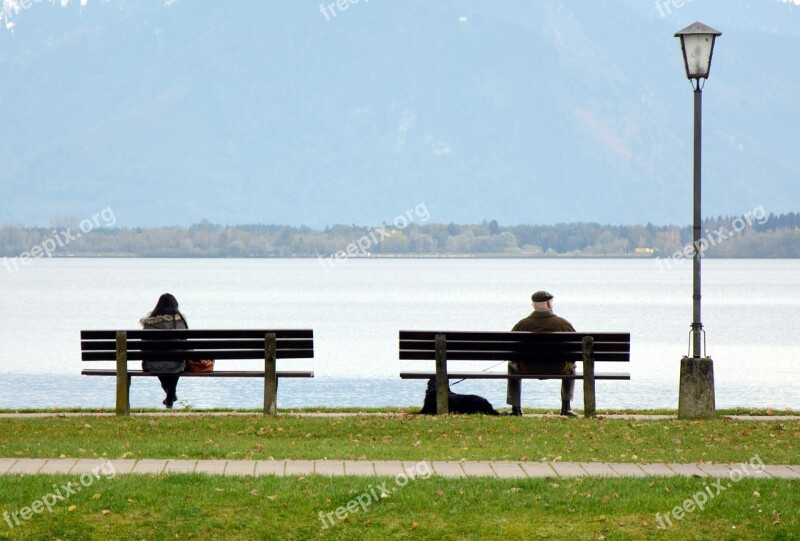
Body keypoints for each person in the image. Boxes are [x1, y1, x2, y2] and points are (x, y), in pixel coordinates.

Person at [507, 290, 578, 417]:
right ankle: (566, 407)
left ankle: (515, 408)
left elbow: (511, 349)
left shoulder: (522, 325)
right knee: (571, 366)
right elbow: (575, 350)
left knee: (512, 365)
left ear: (533, 305)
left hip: (527, 368)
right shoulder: (563, 324)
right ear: (550, 304)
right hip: (558, 368)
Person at [140, 293, 188, 409]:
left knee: (159, 364)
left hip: (153, 364)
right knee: (176, 363)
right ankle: (170, 397)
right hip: (176, 363)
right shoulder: (180, 322)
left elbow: (143, 346)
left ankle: (170, 396)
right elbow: (185, 343)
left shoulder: (149, 323)